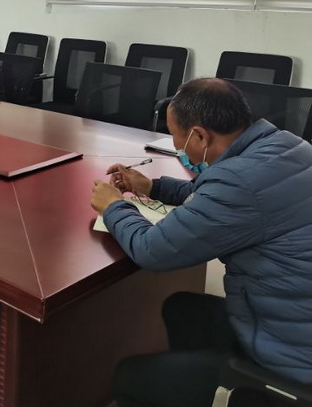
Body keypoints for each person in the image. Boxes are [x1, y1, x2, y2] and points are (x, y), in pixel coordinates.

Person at [90, 78, 312, 406]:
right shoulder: (286, 146)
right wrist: (153, 187)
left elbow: (152, 249)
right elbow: (216, 193)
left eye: (176, 137)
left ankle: (235, 389)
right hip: (289, 313)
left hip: (292, 358)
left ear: (199, 136)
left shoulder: (237, 183)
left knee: (128, 376)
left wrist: (113, 206)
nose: (178, 148)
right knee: (181, 309)